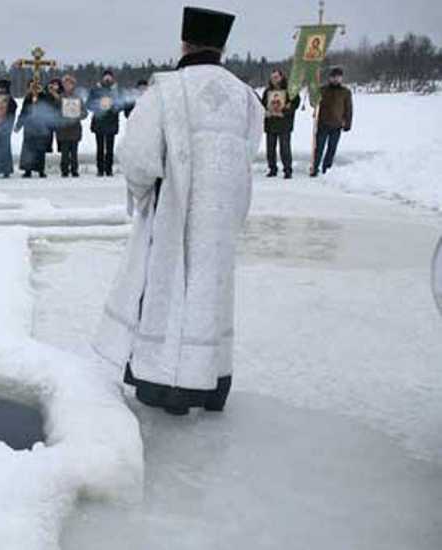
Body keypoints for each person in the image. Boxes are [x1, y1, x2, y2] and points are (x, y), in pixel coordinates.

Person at [94, 6, 263, 416]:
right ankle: (212, 384)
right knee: (212, 295)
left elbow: (138, 158)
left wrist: (142, 193)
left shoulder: (167, 89)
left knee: (169, 293)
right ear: (222, 46)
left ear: (185, 43)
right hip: (221, 216)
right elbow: (249, 150)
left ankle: (169, 388)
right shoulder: (244, 94)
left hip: (175, 213)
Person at [312, 67, 353, 177]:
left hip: (337, 125)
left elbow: (348, 109)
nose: (335, 79)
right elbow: (313, 102)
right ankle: (315, 167)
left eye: (338, 77)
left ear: (341, 78)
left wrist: (347, 123)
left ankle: (327, 168)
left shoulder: (345, 92)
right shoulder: (323, 90)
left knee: (332, 148)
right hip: (323, 124)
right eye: (333, 77)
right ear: (330, 78)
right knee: (319, 147)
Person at [261, 69, 300, 179]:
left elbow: (296, 103)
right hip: (271, 124)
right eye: (273, 77)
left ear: (282, 77)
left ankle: (287, 170)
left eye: (276, 77)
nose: (274, 80)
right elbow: (263, 105)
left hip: (284, 124)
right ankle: (272, 168)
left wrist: (286, 111)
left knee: (285, 149)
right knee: (270, 149)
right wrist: (266, 112)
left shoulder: (289, 91)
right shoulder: (267, 91)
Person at [14, 81, 57, 178]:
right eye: (32, 87)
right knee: (28, 149)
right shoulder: (28, 98)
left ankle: (40, 170)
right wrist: (18, 125)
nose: (34, 89)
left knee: (40, 149)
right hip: (29, 127)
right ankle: (27, 170)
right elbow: (23, 112)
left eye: (36, 87)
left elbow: (50, 106)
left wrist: (42, 94)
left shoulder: (44, 97)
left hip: (41, 127)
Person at [88, 69, 122, 177]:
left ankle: (109, 169)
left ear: (112, 78)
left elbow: (121, 105)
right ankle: (100, 169)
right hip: (99, 122)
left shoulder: (117, 90)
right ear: (102, 78)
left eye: (109, 76)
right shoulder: (95, 90)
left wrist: (114, 107)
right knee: (100, 148)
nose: (107, 78)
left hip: (111, 122)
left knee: (110, 148)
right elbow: (88, 104)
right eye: (106, 76)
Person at [55, 74, 88, 178]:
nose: (68, 86)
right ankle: (64, 170)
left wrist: (78, 115)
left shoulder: (78, 98)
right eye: (66, 84)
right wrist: (61, 116)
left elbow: (85, 113)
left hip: (75, 128)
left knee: (74, 152)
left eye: (70, 84)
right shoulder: (60, 98)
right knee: (64, 152)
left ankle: (74, 170)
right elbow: (55, 112)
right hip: (63, 129)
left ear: (73, 85)